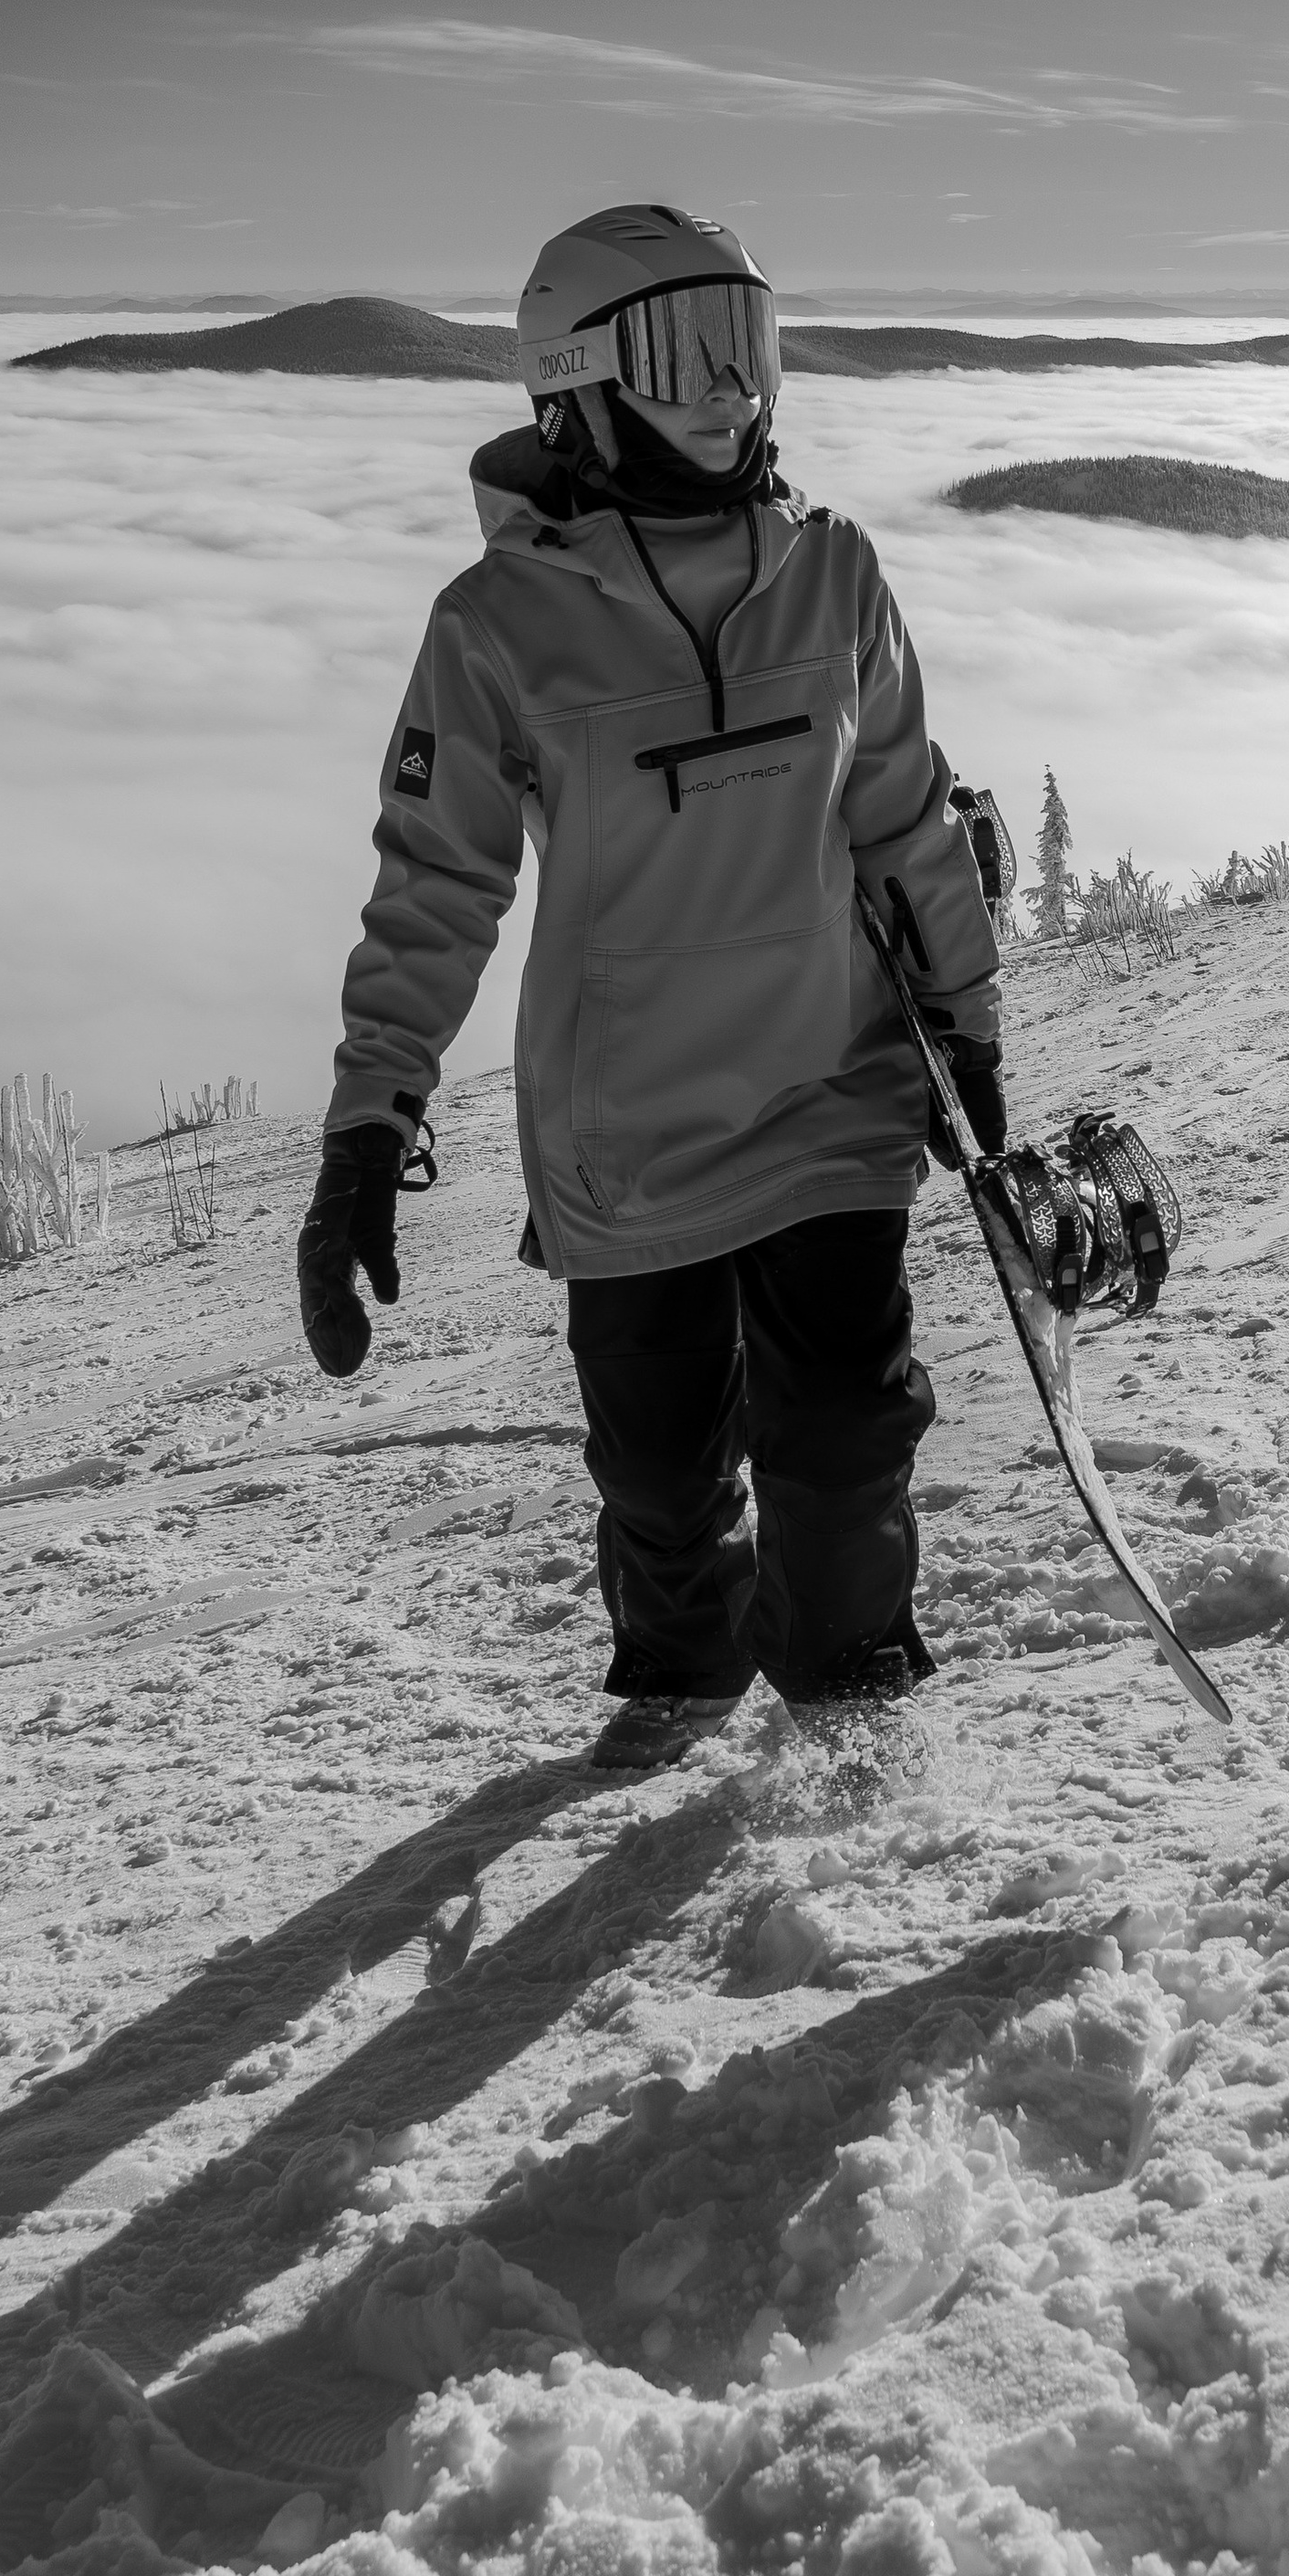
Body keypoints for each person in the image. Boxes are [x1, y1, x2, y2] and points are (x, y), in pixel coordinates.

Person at [296, 203, 1006, 1772]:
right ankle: (674, 1707)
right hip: (627, 1139)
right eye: (692, 356)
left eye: (751, 346)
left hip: (833, 1091)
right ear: (579, 385)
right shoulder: (496, 628)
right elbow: (438, 884)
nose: (737, 391)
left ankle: (861, 1747)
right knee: (666, 1502)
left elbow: (902, 816)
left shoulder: (836, 575)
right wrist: (369, 1128)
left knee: (841, 1448)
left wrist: (968, 1025)